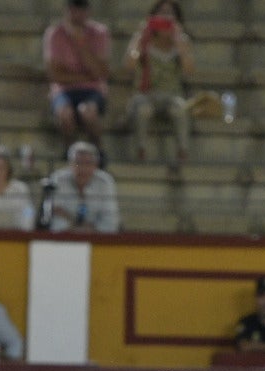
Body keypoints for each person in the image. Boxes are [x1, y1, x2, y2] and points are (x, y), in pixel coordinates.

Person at [125, 0, 194, 163]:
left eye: (170, 14)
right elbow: (129, 65)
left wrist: (179, 42)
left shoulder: (181, 41)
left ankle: (182, 152)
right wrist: (140, 38)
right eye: (162, 13)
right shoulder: (143, 39)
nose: (165, 17)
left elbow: (189, 70)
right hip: (145, 94)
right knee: (143, 110)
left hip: (171, 94)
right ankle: (140, 150)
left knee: (181, 110)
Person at [44, 0, 111, 149]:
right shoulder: (54, 34)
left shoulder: (100, 32)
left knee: (88, 113)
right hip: (63, 91)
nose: (77, 14)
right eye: (73, 8)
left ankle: (98, 154)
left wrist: (80, 43)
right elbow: (55, 75)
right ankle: (70, 154)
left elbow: (100, 72)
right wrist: (86, 76)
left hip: (93, 91)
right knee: (65, 115)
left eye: (81, 9)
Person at [45, 141, 120, 233]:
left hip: (97, 237)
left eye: (88, 163)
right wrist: (80, 227)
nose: (83, 168)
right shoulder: (57, 179)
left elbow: (110, 219)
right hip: (63, 238)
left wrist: (73, 222)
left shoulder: (105, 182)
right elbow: (54, 215)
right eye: (78, 163)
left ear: (96, 165)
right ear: (70, 164)